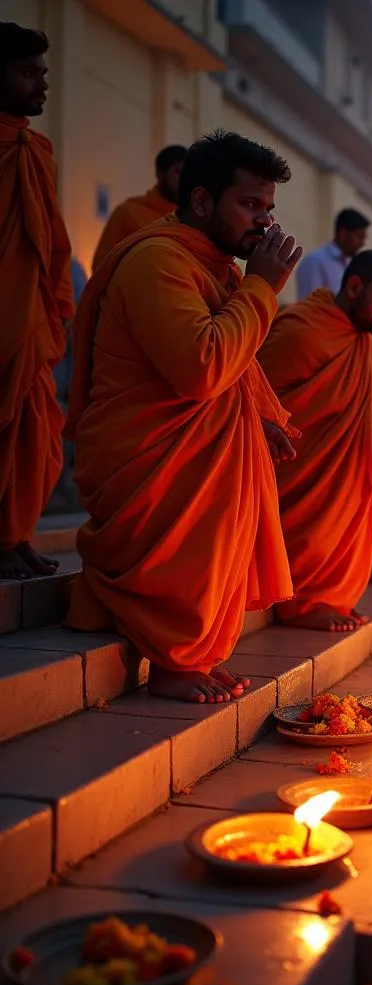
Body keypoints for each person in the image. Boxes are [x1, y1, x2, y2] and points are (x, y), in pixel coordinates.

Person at [65, 130, 301, 703]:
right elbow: (201, 367)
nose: (264, 224)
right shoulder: (157, 262)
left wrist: (254, 417)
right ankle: (175, 660)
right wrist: (262, 288)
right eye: (249, 205)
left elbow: (225, 369)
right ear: (200, 201)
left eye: (268, 209)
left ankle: (192, 652)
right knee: (202, 508)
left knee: (222, 502)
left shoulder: (213, 267)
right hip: (143, 458)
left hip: (188, 441)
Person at [260, 250, 372, 628]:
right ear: (354, 286)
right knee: (311, 533)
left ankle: (330, 597)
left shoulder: (365, 342)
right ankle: (303, 602)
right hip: (301, 473)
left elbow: (363, 418)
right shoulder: (301, 329)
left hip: (345, 474)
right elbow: (257, 401)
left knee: (338, 530)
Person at [0, 23, 73, 580]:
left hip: (30, 318)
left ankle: (15, 534)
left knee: (36, 433)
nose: (41, 84)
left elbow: (52, 237)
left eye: (44, 73)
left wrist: (58, 301)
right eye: (28, 73)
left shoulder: (36, 148)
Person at [91, 144, 186, 268]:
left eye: (188, 174)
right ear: (160, 175)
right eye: (178, 172)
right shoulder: (127, 213)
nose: (184, 180)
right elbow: (101, 266)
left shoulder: (191, 219)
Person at [295, 207, 370, 299]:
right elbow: (309, 306)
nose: (362, 243)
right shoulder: (315, 262)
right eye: (359, 237)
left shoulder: (350, 265)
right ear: (343, 234)